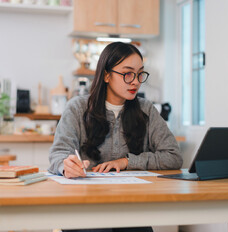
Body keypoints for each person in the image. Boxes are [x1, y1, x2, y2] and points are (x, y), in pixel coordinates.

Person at [48, 42, 182, 232]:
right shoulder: (77, 107)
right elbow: (58, 154)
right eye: (128, 74)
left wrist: (127, 162)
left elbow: (173, 156)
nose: (135, 81)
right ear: (106, 75)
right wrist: (65, 165)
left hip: (131, 208)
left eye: (139, 74)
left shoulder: (146, 110)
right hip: (84, 207)